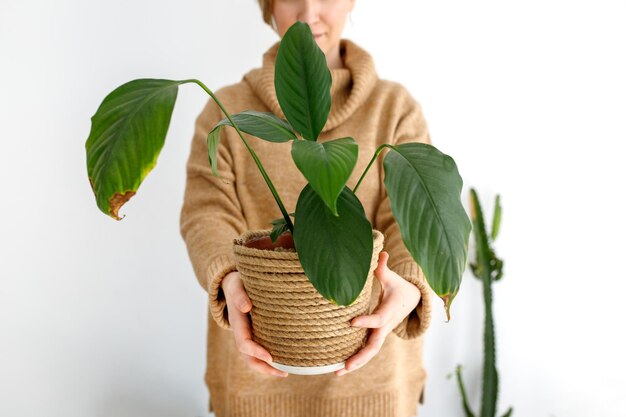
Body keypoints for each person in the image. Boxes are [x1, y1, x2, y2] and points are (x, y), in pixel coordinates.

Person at [180, 1, 435, 416]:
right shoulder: (228, 113)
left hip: (373, 384)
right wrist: (227, 278)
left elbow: (411, 218)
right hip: (256, 381)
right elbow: (205, 213)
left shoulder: (394, 109)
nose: (309, 12)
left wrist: (407, 282)